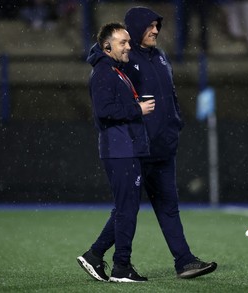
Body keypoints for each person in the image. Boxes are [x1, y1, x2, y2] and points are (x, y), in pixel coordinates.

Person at [123, 7, 218, 279]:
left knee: (168, 207)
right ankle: (101, 256)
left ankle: (184, 261)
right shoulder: (126, 58)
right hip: (139, 148)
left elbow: (172, 94)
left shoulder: (161, 56)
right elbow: (102, 69)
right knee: (126, 209)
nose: (155, 31)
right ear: (135, 28)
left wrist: (175, 122)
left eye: (156, 26)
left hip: (163, 147)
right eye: (149, 26)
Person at [76, 22, 155, 283]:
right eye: (123, 42)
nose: (129, 47)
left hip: (125, 147)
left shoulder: (113, 70)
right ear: (107, 46)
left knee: (124, 208)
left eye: (129, 42)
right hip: (120, 149)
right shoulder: (104, 72)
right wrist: (137, 110)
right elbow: (103, 110)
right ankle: (121, 266)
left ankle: (95, 255)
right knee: (126, 209)